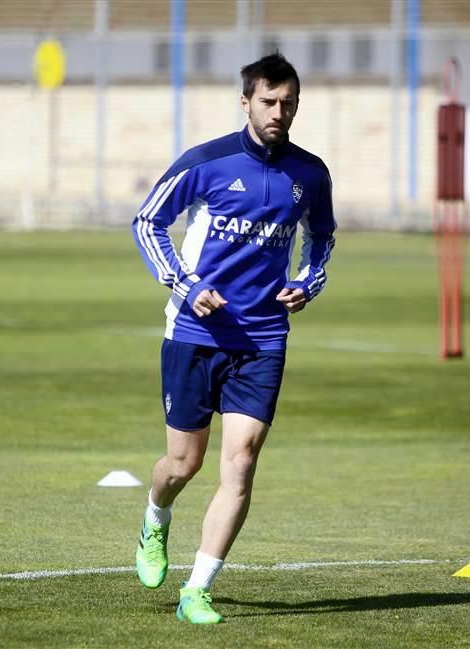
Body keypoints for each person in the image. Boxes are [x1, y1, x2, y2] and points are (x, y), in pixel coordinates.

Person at [131, 52, 335, 625]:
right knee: (182, 463)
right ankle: (155, 518)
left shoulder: (310, 174)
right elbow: (148, 221)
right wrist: (185, 283)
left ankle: (197, 589)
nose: (279, 112)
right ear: (245, 101)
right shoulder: (206, 161)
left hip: (264, 337)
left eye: (288, 102)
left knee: (240, 463)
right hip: (195, 331)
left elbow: (322, 237)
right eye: (268, 101)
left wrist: (306, 282)